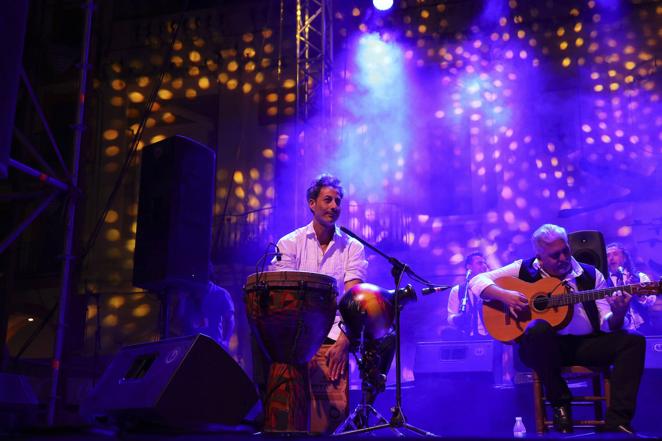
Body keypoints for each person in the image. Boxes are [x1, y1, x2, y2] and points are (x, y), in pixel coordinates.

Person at [470, 224, 645, 435]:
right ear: (540, 257)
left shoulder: (590, 275)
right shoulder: (523, 269)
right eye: (555, 255)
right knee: (538, 329)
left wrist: (618, 314)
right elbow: (477, 281)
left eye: (566, 251)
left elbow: (605, 324)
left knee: (633, 341)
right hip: (542, 350)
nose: (563, 258)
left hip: (584, 345)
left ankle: (618, 421)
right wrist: (505, 295)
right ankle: (560, 402)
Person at [271, 174, 368, 380]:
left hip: (336, 333)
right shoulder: (289, 243)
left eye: (338, 201)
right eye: (328, 200)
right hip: (296, 335)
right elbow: (283, 301)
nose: (334, 206)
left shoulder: (353, 247)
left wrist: (344, 341)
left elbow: (354, 302)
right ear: (312, 204)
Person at [607, 242, 657, 333]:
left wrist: (640, 296)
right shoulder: (603, 281)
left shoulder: (640, 277)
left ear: (624, 258)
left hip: (641, 326)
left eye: (615, 254)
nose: (611, 258)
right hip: (617, 329)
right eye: (608, 255)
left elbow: (651, 300)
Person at [447, 252, 490, 338]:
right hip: (467, 337)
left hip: (491, 337)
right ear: (469, 267)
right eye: (480, 263)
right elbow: (450, 317)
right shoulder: (457, 290)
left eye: (485, 263)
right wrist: (457, 318)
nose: (484, 266)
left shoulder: (491, 289)